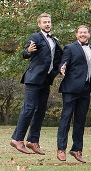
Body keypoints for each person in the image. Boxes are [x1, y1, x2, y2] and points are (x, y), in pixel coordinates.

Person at [11, 13, 64, 155]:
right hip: (34, 79)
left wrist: (60, 68)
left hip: (46, 80)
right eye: (44, 22)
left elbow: (58, 57)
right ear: (39, 24)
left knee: (40, 111)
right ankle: (17, 139)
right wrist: (28, 51)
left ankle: (33, 141)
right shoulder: (35, 37)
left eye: (49, 22)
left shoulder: (54, 40)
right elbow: (25, 53)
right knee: (29, 108)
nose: (47, 24)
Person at [56, 25, 91, 163]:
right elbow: (64, 62)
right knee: (66, 119)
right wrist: (62, 67)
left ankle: (77, 149)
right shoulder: (70, 48)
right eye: (80, 32)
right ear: (77, 35)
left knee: (80, 120)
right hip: (71, 88)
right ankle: (61, 149)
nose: (83, 34)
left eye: (85, 32)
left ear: (89, 35)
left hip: (86, 88)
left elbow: (90, 67)